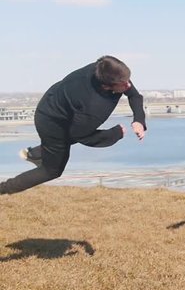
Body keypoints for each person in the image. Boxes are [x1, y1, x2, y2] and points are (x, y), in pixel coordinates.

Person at [0, 56, 147, 195]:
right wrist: (115, 134)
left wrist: (138, 120)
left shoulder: (107, 70)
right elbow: (80, 135)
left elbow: (134, 95)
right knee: (52, 170)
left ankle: (36, 153)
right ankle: (4, 188)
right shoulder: (94, 106)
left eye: (128, 79)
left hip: (57, 106)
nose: (128, 85)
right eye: (124, 83)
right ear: (107, 86)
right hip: (51, 122)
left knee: (63, 141)